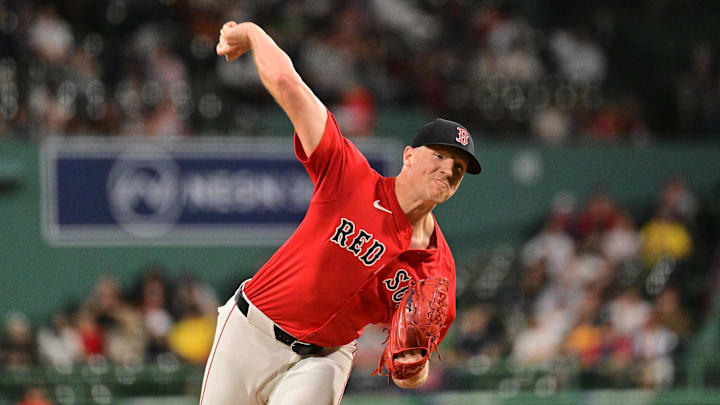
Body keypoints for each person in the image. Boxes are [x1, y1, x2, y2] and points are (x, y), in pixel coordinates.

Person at [200, 21, 482, 405]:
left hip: (324, 359)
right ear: (410, 156)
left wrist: (414, 367)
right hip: (251, 332)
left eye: (459, 169)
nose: (448, 170)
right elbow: (288, 84)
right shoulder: (350, 179)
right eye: (440, 156)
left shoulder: (437, 272)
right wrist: (251, 33)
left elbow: (412, 375)